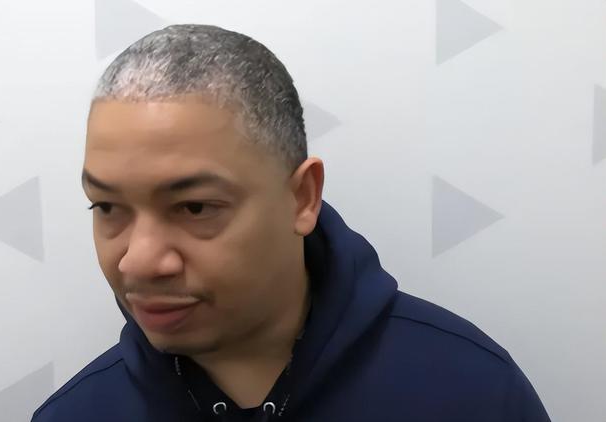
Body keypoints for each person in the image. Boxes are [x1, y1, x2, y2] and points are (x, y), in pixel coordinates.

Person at [31, 24, 551, 422]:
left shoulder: (472, 392)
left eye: (194, 208)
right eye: (107, 207)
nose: (139, 261)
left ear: (302, 198)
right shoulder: (76, 414)